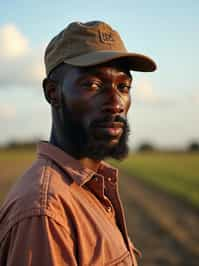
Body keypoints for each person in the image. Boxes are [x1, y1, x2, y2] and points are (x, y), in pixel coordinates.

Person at [0, 21, 156, 266]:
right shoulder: (45, 214)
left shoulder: (90, 185)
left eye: (123, 86)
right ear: (53, 93)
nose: (116, 103)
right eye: (93, 85)